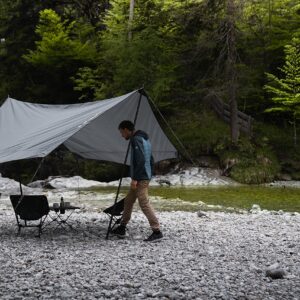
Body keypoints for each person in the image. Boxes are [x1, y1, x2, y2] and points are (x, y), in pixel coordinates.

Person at [111, 120, 163, 242]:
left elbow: (140, 160)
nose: (121, 135)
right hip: (145, 175)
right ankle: (122, 227)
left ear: (126, 130)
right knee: (128, 201)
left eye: (121, 132)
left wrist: (135, 178)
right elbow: (150, 158)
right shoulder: (145, 139)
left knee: (143, 203)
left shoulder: (136, 140)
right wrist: (149, 174)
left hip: (141, 177)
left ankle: (157, 231)